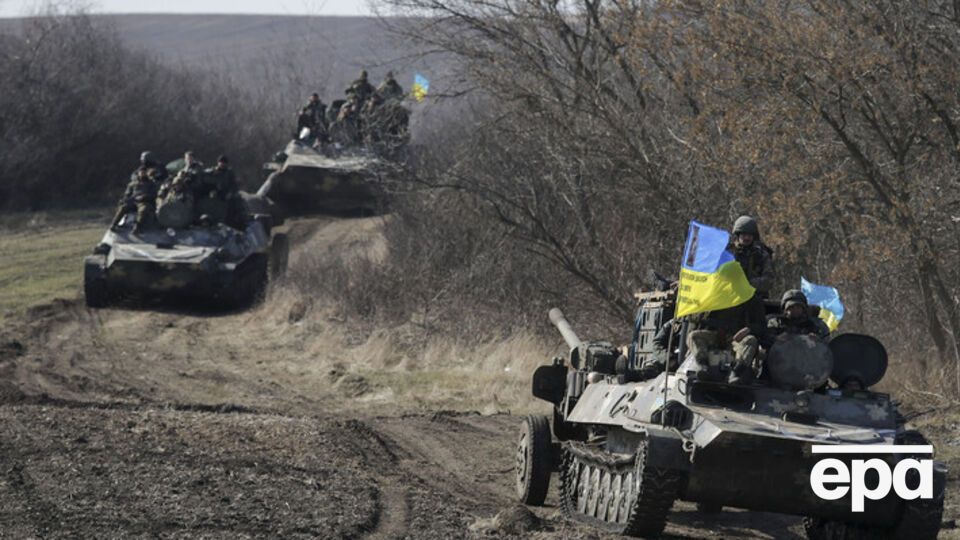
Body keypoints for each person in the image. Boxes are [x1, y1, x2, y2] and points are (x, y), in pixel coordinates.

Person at [730, 215, 775, 298]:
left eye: (750, 235)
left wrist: (747, 284)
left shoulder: (761, 255)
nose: (747, 238)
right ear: (738, 235)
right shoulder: (729, 254)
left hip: (755, 297)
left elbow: (769, 280)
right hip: (731, 297)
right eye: (744, 234)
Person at [766, 289, 830, 341]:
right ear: (785, 310)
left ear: (803, 309)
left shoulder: (815, 324)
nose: (795, 310)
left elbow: (825, 339)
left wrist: (817, 339)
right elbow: (766, 337)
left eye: (798, 307)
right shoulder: (776, 323)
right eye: (791, 307)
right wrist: (776, 338)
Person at [112, 165, 159, 233]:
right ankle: (114, 224)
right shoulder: (132, 184)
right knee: (123, 207)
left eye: (144, 172)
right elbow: (127, 194)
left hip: (144, 202)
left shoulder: (151, 184)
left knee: (143, 210)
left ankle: (137, 227)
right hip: (133, 201)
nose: (142, 173)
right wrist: (125, 199)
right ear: (138, 173)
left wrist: (144, 197)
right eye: (141, 172)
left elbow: (154, 195)